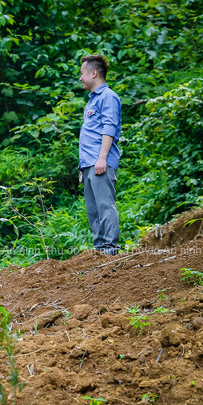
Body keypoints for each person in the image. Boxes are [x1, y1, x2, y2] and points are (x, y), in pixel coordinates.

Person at [78, 54, 122, 255]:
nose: (80, 78)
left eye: (82, 73)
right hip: (89, 163)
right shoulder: (92, 100)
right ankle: (99, 250)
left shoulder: (108, 97)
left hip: (100, 162)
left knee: (105, 206)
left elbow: (109, 128)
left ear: (93, 73)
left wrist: (102, 158)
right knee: (93, 210)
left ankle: (110, 249)